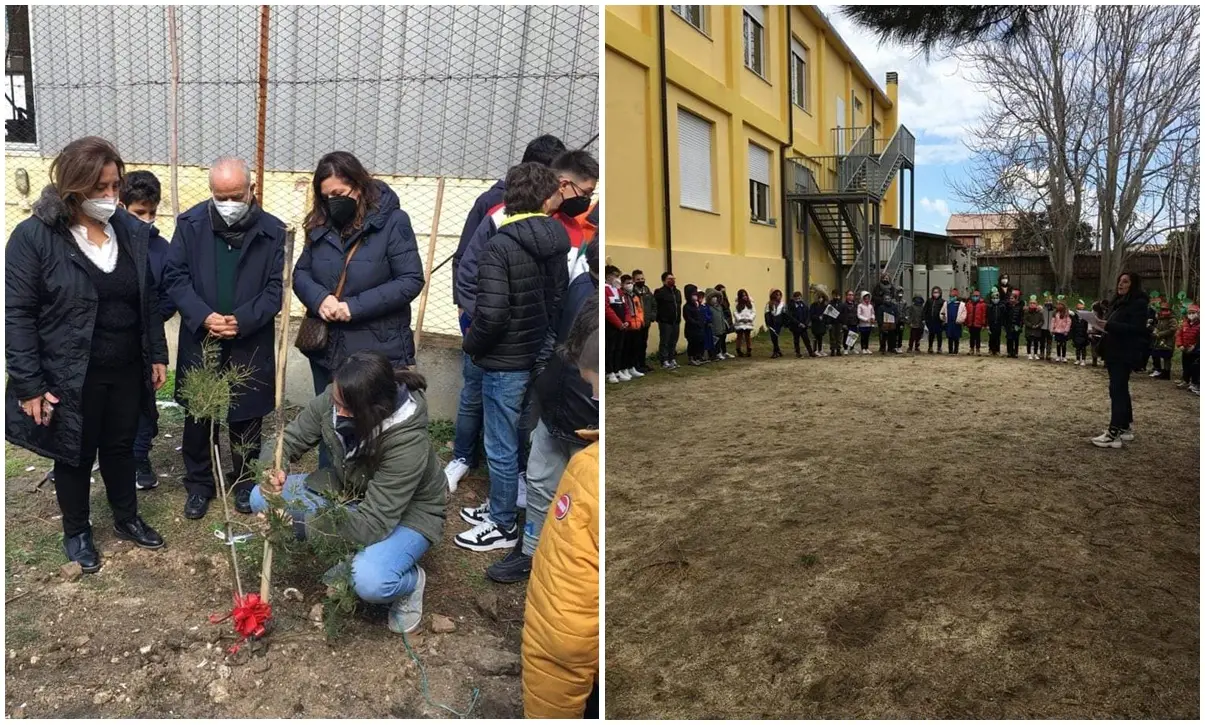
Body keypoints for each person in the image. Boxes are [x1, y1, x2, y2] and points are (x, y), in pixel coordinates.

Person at [6, 136, 169, 572]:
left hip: (124, 366)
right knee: (73, 452)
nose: (111, 197)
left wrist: (155, 351)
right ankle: (77, 531)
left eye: (115, 185)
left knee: (119, 446)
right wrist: (29, 384)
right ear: (73, 187)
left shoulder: (130, 232)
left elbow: (145, 298)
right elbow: (17, 314)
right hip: (69, 371)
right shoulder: (35, 238)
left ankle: (126, 517)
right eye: (100, 188)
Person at [254, 352, 445, 633]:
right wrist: (272, 469)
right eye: (336, 402)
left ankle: (410, 582)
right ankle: (350, 549)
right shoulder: (340, 397)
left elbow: (373, 523)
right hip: (350, 492)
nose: (337, 412)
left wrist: (297, 524)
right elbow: (290, 439)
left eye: (347, 409)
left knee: (370, 580)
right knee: (261, 498)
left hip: (405, 513)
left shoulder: (407, 443)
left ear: (375, 408)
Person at [446, 137, 571, 493]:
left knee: (518, 409)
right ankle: (463, 458)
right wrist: (472, 319)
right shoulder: (494, 210)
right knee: (473, 395)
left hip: (527, 336)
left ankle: (511, 476)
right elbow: (466, 265)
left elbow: (554, 286)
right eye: (557, 180)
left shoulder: (559, 222)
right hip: (487, 330)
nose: (562, 190)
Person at [164, 157, 285, 520]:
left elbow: (276, 287)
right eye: (220, 196)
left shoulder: (273, 231)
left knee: (246, 413)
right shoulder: (190, 225)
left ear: (251, 190)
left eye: (235, 195)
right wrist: (204, 316)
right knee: (199, 413)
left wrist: (243, 320)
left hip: (248, 338)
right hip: (202, 336)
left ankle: (245, 481)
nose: (228, 203)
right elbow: (175, 276)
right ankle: (199, 483)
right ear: (211, 192)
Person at [293, 151, 424, 479]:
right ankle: (329, 488)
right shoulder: (319, 224)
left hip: (375, 348)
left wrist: (354, 307)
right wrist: (319, 298)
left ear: (359, 185)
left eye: (339, 194)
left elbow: (410, 280)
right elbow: (300, 273)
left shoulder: (392, 222)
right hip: (327, 350)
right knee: (330, 422)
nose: (332, 201)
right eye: (326, 197)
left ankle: (372, 498)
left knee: (373, 428)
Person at [488, 242, 598, 583]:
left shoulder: (599, 305)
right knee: (538, 482)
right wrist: (542, 371)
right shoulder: (578, 282)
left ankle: (569, 567)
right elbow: (554, 327)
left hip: (588, 423)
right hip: (554, 409)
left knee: (582, 500)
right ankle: (530, 550)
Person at [521, 294, 599, 719]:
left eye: (592, 381)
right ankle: (530, 551)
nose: (589, 385)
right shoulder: (579, 299)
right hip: (556, 418)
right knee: (538, 489)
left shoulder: (589, 474)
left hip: (578, 676)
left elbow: (564, 629)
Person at [452, 134, 565, 311]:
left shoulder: (554, 206)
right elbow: (464, 256)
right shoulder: (491, 202)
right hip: (486, 308)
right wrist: (465, 306)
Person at [118, 170, 176, 491]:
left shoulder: (161, 249)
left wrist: (149, 321)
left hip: (144, 342)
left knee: (145, 403)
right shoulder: (108, 241)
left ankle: (140, 457)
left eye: (152, 213)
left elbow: (166, 297)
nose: (147, 220)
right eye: (139, 213)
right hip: (110, 341)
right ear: (121, 206)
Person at [1092, 272, 1150, 448]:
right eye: (1119, 281)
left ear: (1133, 284)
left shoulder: (1139, 304)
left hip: (1124, 353)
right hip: (1113, 350)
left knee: (1117, 390)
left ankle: (1113, 433)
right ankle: (1125, 427)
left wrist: (1109, 325)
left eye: (1125, 282)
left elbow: (1136, 329)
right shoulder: (1117, 302)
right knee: (1120, 389)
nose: (1120, 284)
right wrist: (1102, 326)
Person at [604, 265, 629, 382]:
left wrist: (627, 321)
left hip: (622, 325)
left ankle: (617, 369)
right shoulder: (605, 289)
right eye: (616, 276)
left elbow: (625, 307)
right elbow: (607, 309)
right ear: (608, 276)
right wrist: (618, 323)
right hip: (611, 326)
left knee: (619, 348)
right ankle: (609, 372)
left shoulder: (619, 291)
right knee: (610, 348)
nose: (618, 279)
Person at [653, 272, 683, 369]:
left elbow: (679, 305)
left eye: (673, 278)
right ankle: (664, 360)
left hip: (676, 321)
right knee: (665, 341)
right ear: (664, 280)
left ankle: (672, 358)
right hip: (665, 321)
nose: (672, 280)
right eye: (669, 279)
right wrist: (660, 318)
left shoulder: (677, 292)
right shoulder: (660, 292)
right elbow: (656, 306)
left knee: (673, 341)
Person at [620, 274, 647, 377]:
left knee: (635, 348)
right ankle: (624, 368)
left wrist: (640, 321)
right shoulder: (622, 295)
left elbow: (639, 310)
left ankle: (632, 367)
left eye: (631, 283)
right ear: (622, 284)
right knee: (626, 349)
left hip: (637, 326)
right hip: (628, 326)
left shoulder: (634, 295)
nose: (630, 285)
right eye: (627, 283)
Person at [630, 270, 656, 374]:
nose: (641, 281)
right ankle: (635, 365)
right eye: (638, 279)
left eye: (642, 279)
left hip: (646, 322)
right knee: (636, 345)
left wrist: (652, 316)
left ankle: (642, 363)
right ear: (633, 280)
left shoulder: (647, 291)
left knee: (643, 344)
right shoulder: (632, 292)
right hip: (636, 324)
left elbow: (654, 304)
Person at [1176, 303, 1200, 394]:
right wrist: (1180, 345)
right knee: (1185, 366)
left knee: (1194, 366)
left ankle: (1194, 382)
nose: (1191, 315)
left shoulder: (1200, 325)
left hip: (1195, 351)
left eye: (1193, 313)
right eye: (1189, 313)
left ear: (1198, 313)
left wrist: (1194, 346)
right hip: (1185, 349)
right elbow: (1179, 335)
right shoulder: (1184, 324)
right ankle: (1185, 380)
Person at [1149, 300, 1177, 380]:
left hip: (1168, 341)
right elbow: (1158, 328)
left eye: (1166, 310)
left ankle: (1166, 373)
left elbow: (1172, 330)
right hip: (1159, 342)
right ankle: (1159, 370)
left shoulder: (1172, 319)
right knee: (1156, 355)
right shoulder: (1160, 319)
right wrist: (1155, 331)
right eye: (1162, 309)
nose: (1164, 311)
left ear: (1170, 311)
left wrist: (1160, 334)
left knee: (1167, 358)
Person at [683, 284, 706, 366]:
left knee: (698, 343)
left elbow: (700, 314)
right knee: (692, 343)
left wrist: (701, 322)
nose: (696, 296)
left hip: (698, 329)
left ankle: (697, 356)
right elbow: (688, 318)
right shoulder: (686, 307)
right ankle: (691, 358)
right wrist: (696, 323)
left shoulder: (697, 305)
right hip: (691, 329)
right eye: (694, 294)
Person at [788, 291, 815, 358]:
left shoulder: (804, 306)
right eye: (796, 298)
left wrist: (806, 323)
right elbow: (791, 316)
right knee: (796, 340)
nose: (798, 300)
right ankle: (798, 353)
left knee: (806, 340)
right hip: (796, 326)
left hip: (803, 327)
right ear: (794, 298)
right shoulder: (791, 306)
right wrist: (798, 323)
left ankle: (811, 352)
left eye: (799, 298)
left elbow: (808, 315)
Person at [940, 287, 967, 355]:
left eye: (953, 296)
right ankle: (950, 350)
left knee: (956, 338)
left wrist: (961, 320)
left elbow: (964, 313)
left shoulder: (961, 305)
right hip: (949, 323)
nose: (951, 297)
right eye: (950, 296)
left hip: (957, 323)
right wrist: (943, 317)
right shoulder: (946, 304)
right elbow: (942, 312)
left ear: (956, 296)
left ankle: (956, 350)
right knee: (950, 337)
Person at [706, 287, 730, 360]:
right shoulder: (708, 307)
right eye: (713, 297)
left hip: (721, 328)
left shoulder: (719, 307)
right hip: (713, 328)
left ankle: (719, 352)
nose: (715, 299)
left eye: (715, 297)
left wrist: (724, 327)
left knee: (720, 341)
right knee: (714, 342)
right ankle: (714, 354)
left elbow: (722, 317)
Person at [765, 289, 787, 358]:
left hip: (779, 322)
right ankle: (777, 351)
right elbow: (766, 314)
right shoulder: (769, 304)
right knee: (773, 337)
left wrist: (784, 323)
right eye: (777, 295)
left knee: (775, 336)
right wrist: (768, 323)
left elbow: (784, 314)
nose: (779, 296)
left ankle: (776, 351)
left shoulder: (782, 304)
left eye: (780, 295)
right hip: (772, 322)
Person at [733, 289, 756, 357]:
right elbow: (735, 312)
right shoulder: (737, 304)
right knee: (739, 336)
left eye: (745, 295)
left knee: (747, 336)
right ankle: (738, 350)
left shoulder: (751, 303)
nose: (745, 297)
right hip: (740, 323)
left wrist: (749, 319)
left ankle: (749, 350)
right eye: (743, 296)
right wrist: (740, 319)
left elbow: (754, 312)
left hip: (748, 322)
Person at [923, 286, 945, 354]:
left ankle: (939, 348)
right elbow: (925, 310)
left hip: (939, 321)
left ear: (940, 293)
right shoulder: (929, 300)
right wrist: (924, 319)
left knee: (939, 335)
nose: (936, 294)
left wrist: (943, 320)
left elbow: (944, 311)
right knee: (931, 335)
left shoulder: (942, 301)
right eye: (934, 292)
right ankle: (930, 347)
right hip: (930, 321)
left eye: (937, 292)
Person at [965, 289, 987, 356]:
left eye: (977, 296)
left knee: (977, 337)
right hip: (971, 323)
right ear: (972, 296)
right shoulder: (968, 304)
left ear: (979, 296)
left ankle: (978, 349)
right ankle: (971, 349)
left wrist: (983, 324)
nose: (975, 297)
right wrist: (966, 323)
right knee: (971, 337)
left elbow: (984, 315)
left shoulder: (982, 304)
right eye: (974, 296)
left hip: (978, 324)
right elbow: (967, 313)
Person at [1050, 297, 1072, 363]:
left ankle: (1064, 357)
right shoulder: (1055, 313)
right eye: (1058, 304)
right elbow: (1053, 322)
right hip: (1057, 331)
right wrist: (1052, 329)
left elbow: (1069, 322)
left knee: (1064, 344)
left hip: (1064, 332)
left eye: (1061, 305)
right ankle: (1058, 356)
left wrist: (1066, 330)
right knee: (1058, 344)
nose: (1059, 306)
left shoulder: (1067, 313)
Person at [986, 289, 1007, 356]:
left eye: (997, 298)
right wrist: (987, 325)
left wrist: (1003, 324)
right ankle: (991, 350)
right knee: (991, 337)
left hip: (998, 324)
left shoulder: (1001, 306)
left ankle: (997, 350)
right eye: (994, 298)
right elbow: (987, 316)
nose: (995, 299)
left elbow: (1003, 316)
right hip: (991, 324)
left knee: (997, 337)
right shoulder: (989, 306)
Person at [809, 290, 830, 356]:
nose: (820, 299)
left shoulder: (824, 306)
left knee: (820, 337)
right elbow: (811, 315)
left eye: (822, 298)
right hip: (815, 324)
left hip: (822, 324)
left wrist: (826, 321)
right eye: (819, 297)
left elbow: (826, 314)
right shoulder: (813, 305)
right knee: (815, 337)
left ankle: (820, 350)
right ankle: (814, 350)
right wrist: (817, 317)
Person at [1024, 295, 1044, 360]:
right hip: (1029, 330)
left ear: (1037, 304)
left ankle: (1035, 354)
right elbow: (1025, 320)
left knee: (1036, 343)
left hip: (1037, 330)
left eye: (1034, 303)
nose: (1032, 304)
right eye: (1031, 303)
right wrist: (1031, 325)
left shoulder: (1039, 312)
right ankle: (1029, 354)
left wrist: (1038, 325)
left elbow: (1042, 321)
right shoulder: (1027, 312)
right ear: (1029, 304)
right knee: (1029, 342)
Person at [838, 289, 859, 355]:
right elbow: (841, 315)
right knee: (846, 336)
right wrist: (843, 323)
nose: (851, 296)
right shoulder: (843, 305)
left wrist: (857, 321)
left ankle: (852, 348)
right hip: (846, 323)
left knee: (853, 336)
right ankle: (845, 348)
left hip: (854, 322)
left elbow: (857, 313)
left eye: (852, 295)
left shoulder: (855, 304)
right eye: (849, 295)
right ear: (846, 296)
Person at [1005, 289, 1025, 358]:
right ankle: (1009, 352)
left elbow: (1022, 317)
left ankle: (1015, 352)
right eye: (1010, 298)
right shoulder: (1008, 306)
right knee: (1009, 339)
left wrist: (1020, 326)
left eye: (1012, 298)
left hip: (1016, 326)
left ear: (1016, 299)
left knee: (1016, 340)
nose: (1011, 300)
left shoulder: (1020, 307)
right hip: (1009, 326)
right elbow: (1006, 316)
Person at [1071, 300, 1091, 366]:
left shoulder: (1086, 316)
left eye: (1081, 307)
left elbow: (1088, 325)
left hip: (1084, 334)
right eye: (1079, 307)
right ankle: (1077, 359)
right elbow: (1073, 325)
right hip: (1076, 334)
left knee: (1083, 348)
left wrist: (1088, 332)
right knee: (1077, 347)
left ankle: (1083, 360)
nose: (1080, 309)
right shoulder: (1074, 316)